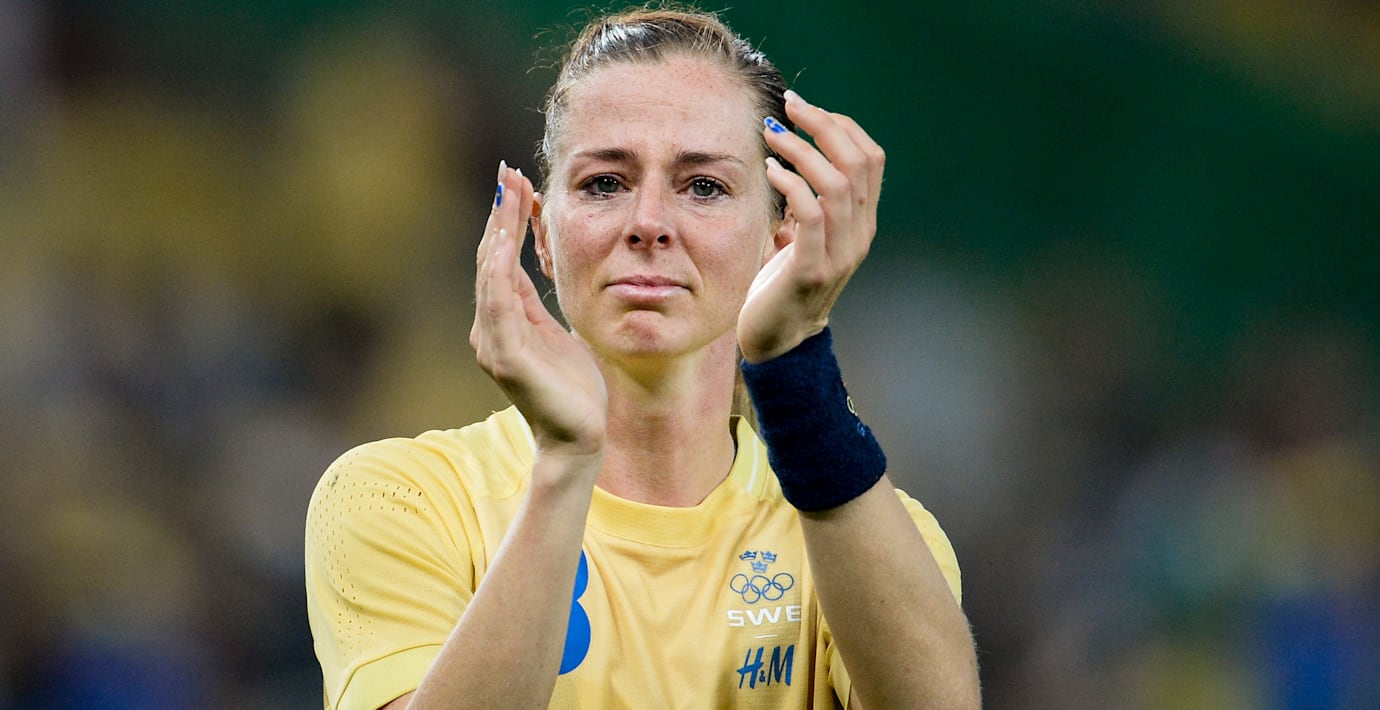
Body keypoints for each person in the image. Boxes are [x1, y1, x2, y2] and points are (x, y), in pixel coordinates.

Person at [306, 5, 980, 708]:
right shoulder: (399, 500)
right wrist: (566, 464)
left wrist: (794, 364)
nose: (649, 223)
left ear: (780, 238)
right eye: (605, 183)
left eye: (704, 186)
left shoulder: (861, 532)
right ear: (542, 234)